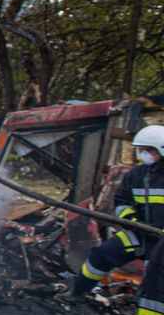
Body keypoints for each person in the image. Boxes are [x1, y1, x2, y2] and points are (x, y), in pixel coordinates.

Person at [66, 126, 164, 302]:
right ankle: (78, 291)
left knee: (154, 280)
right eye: (141, 150)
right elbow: (121, 202)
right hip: (140, 233)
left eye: (148, 150)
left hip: (162, 240)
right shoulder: (135, 175)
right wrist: (131, 220)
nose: (143, 154)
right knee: (103, 253)